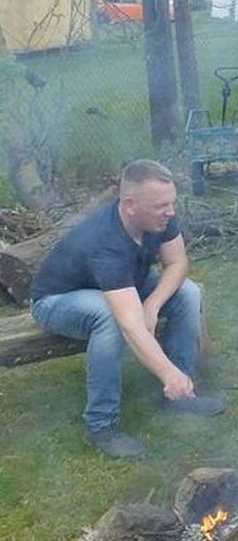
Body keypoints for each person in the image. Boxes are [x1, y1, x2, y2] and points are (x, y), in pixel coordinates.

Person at [29, 160, 226, 459]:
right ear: (130, 204)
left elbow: (177, 263)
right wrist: (166, 372)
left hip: (122, 284)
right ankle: (101, 424)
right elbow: (131, 324)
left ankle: (179, 396)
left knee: (188, 292)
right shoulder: (106, 241)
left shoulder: (160, 217)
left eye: (171, 202)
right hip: (58, 299)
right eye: (161, 205)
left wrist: (153, 303)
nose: (170, 211)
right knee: (109, 318)